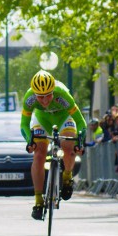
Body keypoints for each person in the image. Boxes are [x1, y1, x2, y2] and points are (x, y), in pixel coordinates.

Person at [22, 70, 86, 220]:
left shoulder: (62, 94)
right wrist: (29, 141)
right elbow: (24, 124)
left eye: (48, 95)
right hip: (42, 120)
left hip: (64, 118)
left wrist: (80, 140)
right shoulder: (29, 97)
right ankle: (38, 200)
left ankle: (67, 176)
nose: (44, 101)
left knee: (69, 148)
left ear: (53, 91)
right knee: (38, 154)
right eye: (40, 97)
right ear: (35, 94)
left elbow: (81, 122)